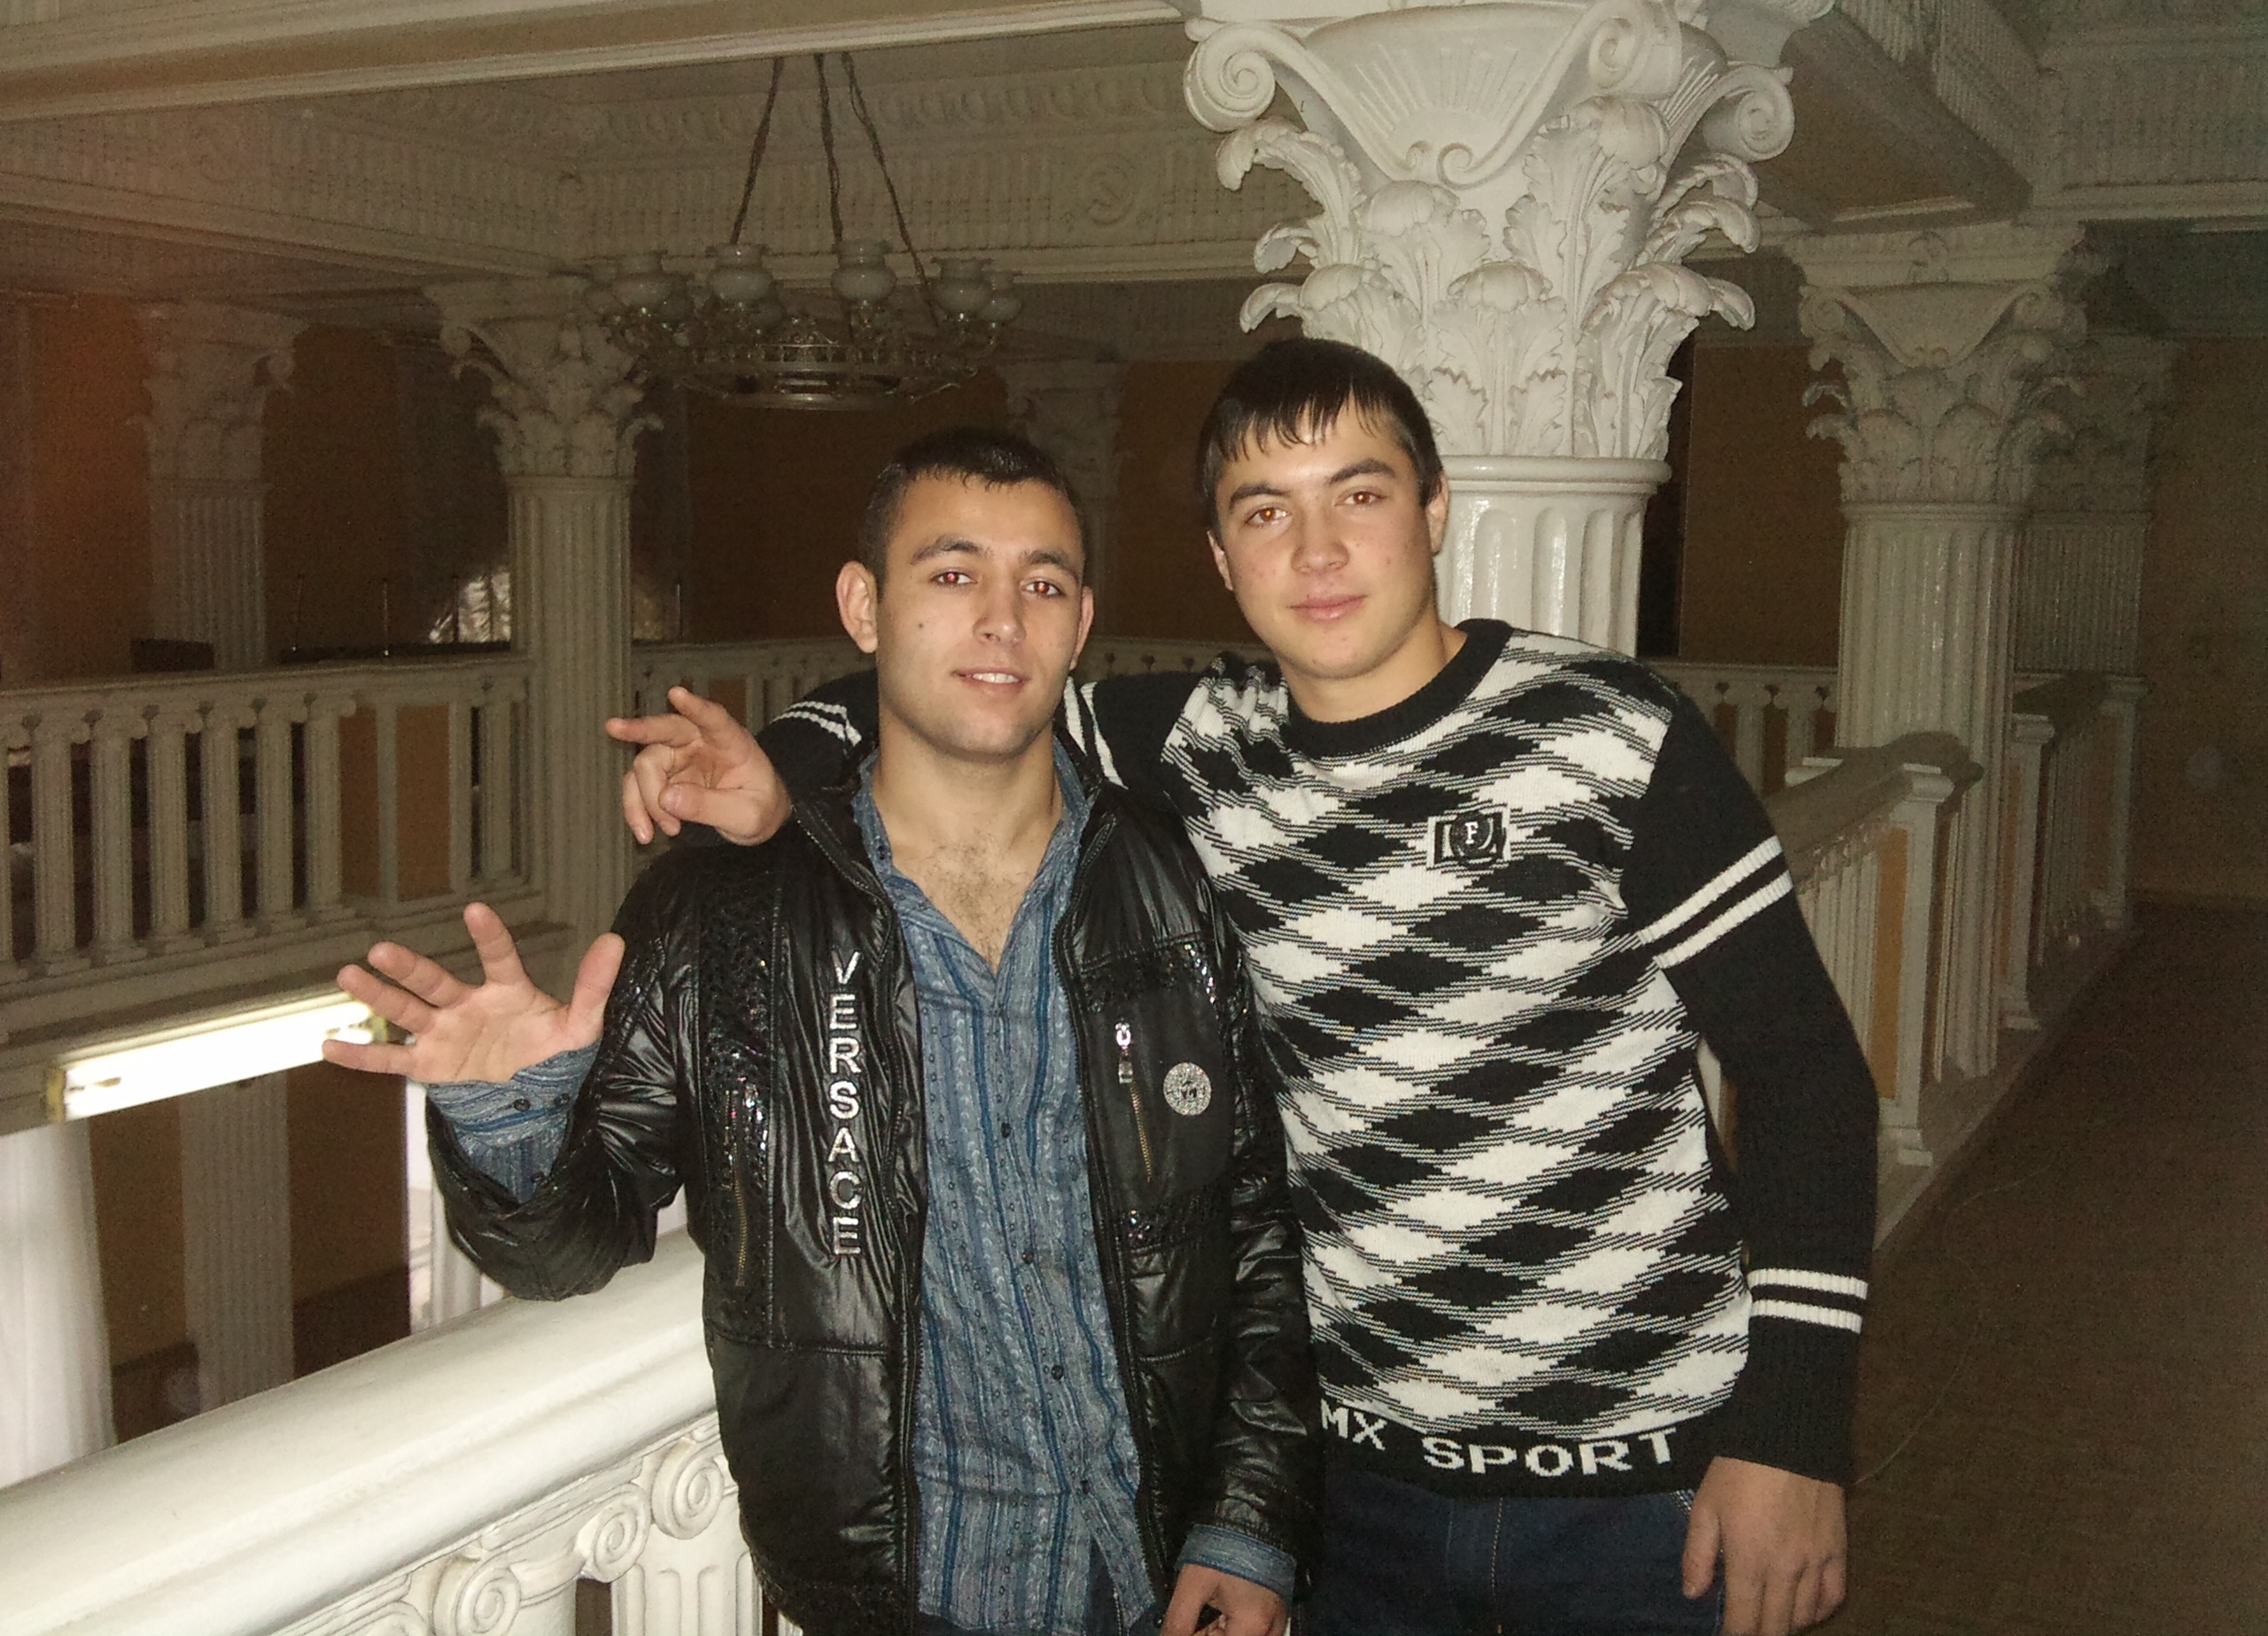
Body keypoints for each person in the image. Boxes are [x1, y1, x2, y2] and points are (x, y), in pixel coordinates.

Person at [613, 339, 1882, 1636]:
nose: (1317, 552)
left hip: (1649, 1487)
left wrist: (1793, 1429)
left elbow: (1806, 1077)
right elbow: (942, 693)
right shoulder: (1194, 747)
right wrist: (774, 777)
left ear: (1434, 510)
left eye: (1359, 495)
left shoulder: (1609, 733)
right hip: (1356, 1500)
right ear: (1224, 558)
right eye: (1266, 513)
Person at [325, 427, 1320, 1636]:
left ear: (1080, 622)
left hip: (1165, 1579)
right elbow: (564, 1248)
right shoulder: (724, 918)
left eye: (1043, 583)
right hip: (906, 1597)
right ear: (864, 607)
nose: (1001, 620)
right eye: (952, 573)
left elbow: (1253, 1224)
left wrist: (1249, 1519)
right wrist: (511, 1114)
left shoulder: (1167, 879)